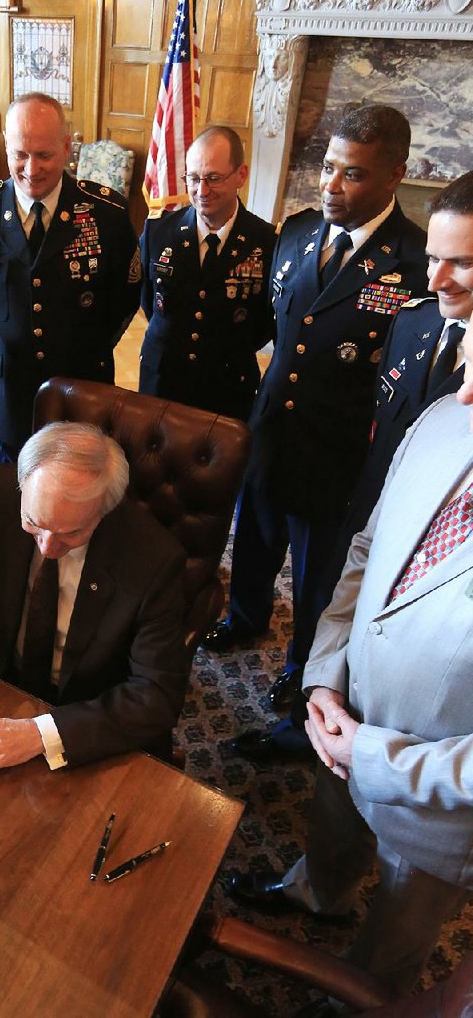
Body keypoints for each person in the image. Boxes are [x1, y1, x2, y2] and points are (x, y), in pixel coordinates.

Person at [228, 322, 473, 994]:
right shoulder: (441, 418)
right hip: (344, 717)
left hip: (434, 808)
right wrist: (327, 677)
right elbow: (367, 550)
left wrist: (373, 755)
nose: (466, 391)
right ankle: (320, 893)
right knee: (332, 839)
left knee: (392, 954)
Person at [203, 103, 429, 761]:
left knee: (318, 583)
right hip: (272, 431)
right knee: (255, 540)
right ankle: (244, 619)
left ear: (394, 175)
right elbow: (276, 333)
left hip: (339, 456)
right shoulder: (298, 232)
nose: (331, 185)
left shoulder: (414, 262)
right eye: (327, 167)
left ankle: (303, 671)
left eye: (352, 175)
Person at [0, 422, 191, 776]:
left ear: (105, 509)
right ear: (23, 485)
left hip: (87, 707)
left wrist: (41, 734)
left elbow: (155, 695)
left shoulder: (154, 558)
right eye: (33, 523)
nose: (46, 547)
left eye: (70, 533)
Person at [312, 171, 473, 622]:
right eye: (432, 259)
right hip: (368, 528)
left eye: (461, 263)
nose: (436, 280)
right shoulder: (411, 323)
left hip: (435, 571)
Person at [0, 93, 140, 464]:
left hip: (82, 386)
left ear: (67, 147)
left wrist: (90, 347)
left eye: (44, 155)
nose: (31, 168)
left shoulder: (107, 213)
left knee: (79, 490)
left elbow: (127, 295)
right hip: (8, 390)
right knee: (11, 489)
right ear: (5, 146)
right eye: (19, 154)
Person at [139, 126, 277, 421]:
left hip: (227, 388)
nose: (202, 190)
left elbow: (265, 323)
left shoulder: (267, 242)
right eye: (193, 178)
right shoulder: (159, 231)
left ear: (241, 175)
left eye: (214, 178)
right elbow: (150, 303)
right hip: (162, 380)